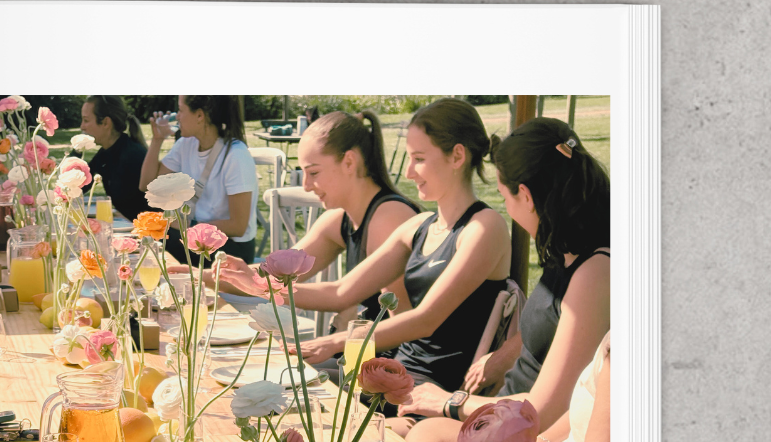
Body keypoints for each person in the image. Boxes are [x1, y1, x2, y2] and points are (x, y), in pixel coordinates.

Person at [228, 99, 510, 399]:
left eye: (419, 158)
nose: (410, 172)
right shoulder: (420, 225)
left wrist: (336, 342)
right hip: (392, 375)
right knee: (266, 379)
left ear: (457, 156)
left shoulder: (484, 227)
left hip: (432, 389)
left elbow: (426, 319)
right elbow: (340, 292)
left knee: (286, 394)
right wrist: (259, 285)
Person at [395, 117, 610, 442]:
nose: (506, 208)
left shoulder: (594, 272)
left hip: (530, 436)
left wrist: (451, 402)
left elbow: (542, 408)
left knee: (421, 438)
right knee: (393, 432)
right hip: (505, 415)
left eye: (503, 195)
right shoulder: (567, 253)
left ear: (524, 195)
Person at [219, 109, 421, 348]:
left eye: (313, 172)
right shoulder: (340, 219)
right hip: (359, 351)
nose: (306, 186)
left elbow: (405, 329)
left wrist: (333, 343)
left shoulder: (388, 219)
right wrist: (198, 275)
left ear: (349, 162)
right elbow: (277, 272)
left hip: (393, 365)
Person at [139, 96, 258, 263]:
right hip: (195, 236)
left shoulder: (236, 156)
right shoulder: (185, 144)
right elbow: (147, 185)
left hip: (230, 249)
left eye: (180, 110)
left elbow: (238, 226)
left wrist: (187, 229)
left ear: (200, 116)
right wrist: (157, 140)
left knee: (154, 248)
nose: (177, 116)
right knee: (149, 241)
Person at [80, 97, 149, 222]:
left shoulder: (133, 155)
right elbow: (77, 187)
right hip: (128, 229)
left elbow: (147, 208)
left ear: (106, 123)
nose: (82, 127)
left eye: (86, 120)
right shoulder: (105, 154)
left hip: (147, 234)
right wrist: (78, 148)